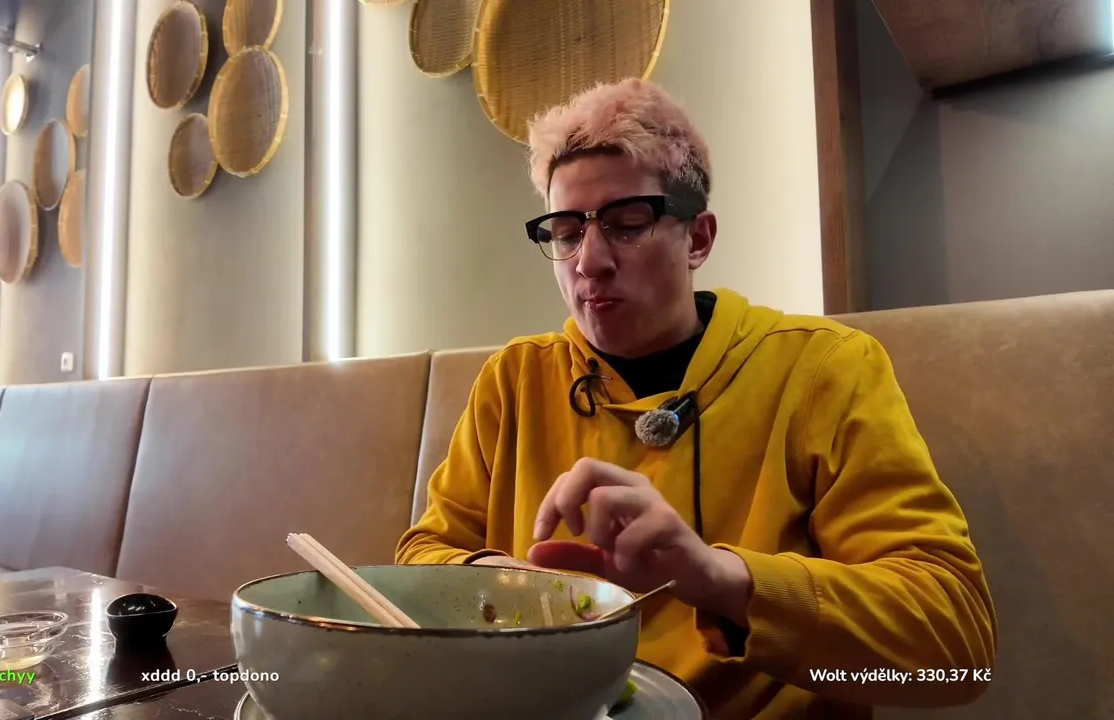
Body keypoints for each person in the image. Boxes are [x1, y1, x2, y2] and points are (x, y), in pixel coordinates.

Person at [395, 78, 996, 718]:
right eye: (566, 233)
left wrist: (718, 578)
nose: (589, 262)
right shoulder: (514, 379)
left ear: (699, 239)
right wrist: (500, 583)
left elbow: (954, 646)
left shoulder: (823, 370)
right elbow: (421, 558)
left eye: (627, 225)